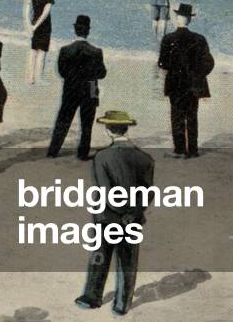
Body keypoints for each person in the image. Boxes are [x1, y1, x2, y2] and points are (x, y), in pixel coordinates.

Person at [75, 111, 153, 316]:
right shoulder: (145, 158)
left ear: (109, 131)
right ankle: (122, 303)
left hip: (107, 217)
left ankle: (92, 296)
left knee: (100, 255)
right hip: (133, 218)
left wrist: (118, 212)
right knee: (128, 261)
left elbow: (106, 191)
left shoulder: (102, 157)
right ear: (126, 129)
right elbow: (147, 192)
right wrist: (132, 213)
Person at [157, 4, 215, 158]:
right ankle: (193, 150)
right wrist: (197, 74)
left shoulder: (168, 38)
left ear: (177, 18)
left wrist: (174, 68)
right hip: (193, 84)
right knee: (192, 117)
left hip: (175, 84)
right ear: (189, 19)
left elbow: (162, 63)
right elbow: (209, 63)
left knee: (176, 117)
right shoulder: (199, 39)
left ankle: (180, 149)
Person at [47, 15, 106, 160]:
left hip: (71, 88)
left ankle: (53, 151)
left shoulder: (65, 50)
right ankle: (82, 153)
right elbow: (102, 73)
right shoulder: (96, 51)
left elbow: (62, 72)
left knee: (63, 120)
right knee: (87, 124)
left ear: (75, 30)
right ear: (88, 31)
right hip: (91, 89)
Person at [24, 0, 55, 84]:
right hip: (44, 27)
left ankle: (30, 77)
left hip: (33, 24)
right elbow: (45, 15)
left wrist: (30, 26)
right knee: (42, 52)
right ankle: (39, 78)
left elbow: (27, 11)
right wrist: (36, 26)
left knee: (33, 51)